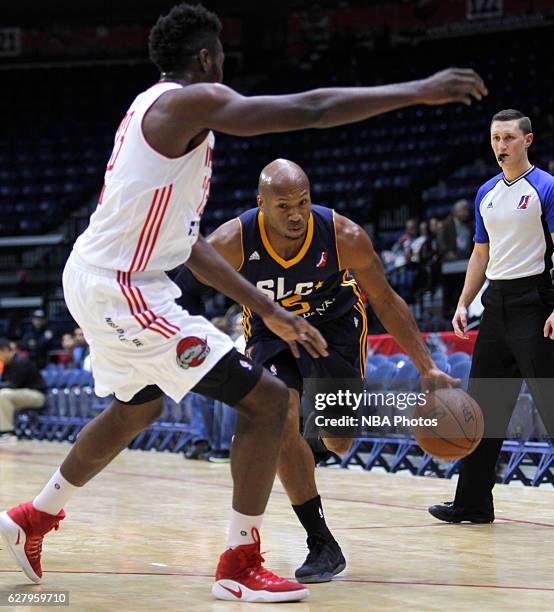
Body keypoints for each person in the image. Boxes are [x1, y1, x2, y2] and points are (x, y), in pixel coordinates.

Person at [0, 3, 486, 603]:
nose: (226, 67)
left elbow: (188, 247)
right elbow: (311, 108)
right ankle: (240, 560)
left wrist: (273, 310)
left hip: (112, 279)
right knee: (268, 400)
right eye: (222, 56)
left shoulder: (166, 124)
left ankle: (33, 517)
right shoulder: (184, 102)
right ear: (206, 59)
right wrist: (420, 90)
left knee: (136, 410)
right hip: (122, 285)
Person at [176, 159, 457, 583]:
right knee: (277, 417)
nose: (295, 214)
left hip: (335, 327)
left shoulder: (344, 236)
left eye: (302, 203)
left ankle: (302, 426)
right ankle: (321, 541)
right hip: (273, 333)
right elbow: (186, 289)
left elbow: (385, 298)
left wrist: (428, 366)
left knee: (338, 441)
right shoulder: (235, 239)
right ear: (261, 204)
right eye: (283, 205)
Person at [429, 109, 554, 524]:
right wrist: (465, 302)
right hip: (495, 307)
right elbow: (480, 255)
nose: (501, 145)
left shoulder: (546, 187)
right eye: (495, 138)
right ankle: (473, 503)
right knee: (484, 411)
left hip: (536, 304)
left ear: (527, 141)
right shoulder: (486, 192)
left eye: (509, 138)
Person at [0, 338, 46, 434]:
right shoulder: (7, 364)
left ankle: (7, 432)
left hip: (37, 395)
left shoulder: (21, 361)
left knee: (3, 395)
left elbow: (13, 385)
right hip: (20, 395)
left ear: (5, 350)